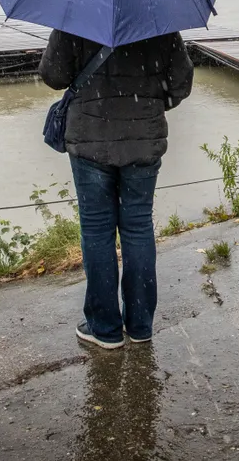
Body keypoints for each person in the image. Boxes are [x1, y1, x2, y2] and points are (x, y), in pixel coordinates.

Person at [39, 30, 194, 349]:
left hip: (90, 140)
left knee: (96, 231)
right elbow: (181, 83)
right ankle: (140, 325)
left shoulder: (76, 19)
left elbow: (53, 75)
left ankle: (105, 328)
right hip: (143, 141)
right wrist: (149, 103)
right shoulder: (157, 21)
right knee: (138, 228)